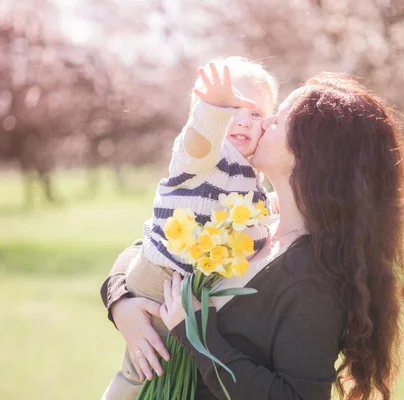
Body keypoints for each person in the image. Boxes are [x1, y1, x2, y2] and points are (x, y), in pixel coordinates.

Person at [101, 72, 404, 400]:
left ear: (311, 153)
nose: (262, 124)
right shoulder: (258, 220)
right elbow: (150, 245)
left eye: (277, 121)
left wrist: (197, 334)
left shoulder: (313, 281)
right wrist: (121, 302)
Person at [101, 57, 279, 399]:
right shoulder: (203, 155)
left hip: (190, 288)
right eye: (232, 108)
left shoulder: (249, 175)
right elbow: (200, 140)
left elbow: (244, 212)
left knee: (167, 369)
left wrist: (274, 204)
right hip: (160, 277)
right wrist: (214, 111)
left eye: (256, 114)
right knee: (143, 367)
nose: (242, 119)